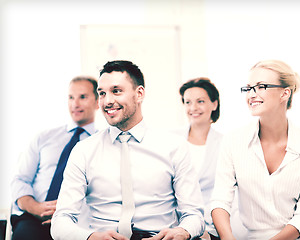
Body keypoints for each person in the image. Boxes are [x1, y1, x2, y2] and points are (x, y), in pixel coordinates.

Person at [50, 60, 205, 240]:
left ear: (139, 94)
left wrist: (182, 231)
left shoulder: (174, 147)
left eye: (116, 91)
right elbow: (60, 222)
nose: (107, 101)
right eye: (102, 93)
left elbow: (194, 215)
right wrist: (91, 237)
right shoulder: (83, 151)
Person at [211, 59, 300, 239]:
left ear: (285, 93)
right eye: (248, 88)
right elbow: (220, 200)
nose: (251, 94)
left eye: (261, 87)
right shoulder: (233, 142)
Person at [10, 76, 99, 240]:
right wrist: (36, 208)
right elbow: (20, 180)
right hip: (34, 220)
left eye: (83, 97)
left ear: (98, 101)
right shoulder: (44, 138)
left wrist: (67, 215)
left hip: (79, 223)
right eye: (71, 97)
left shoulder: (103, 144)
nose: (75, 104)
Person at [176, 78, 247, 240]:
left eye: (200, 101)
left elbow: (230, 195)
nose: (193, 108)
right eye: (187, 102)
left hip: (211, 227)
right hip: (175, 225)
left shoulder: (226, 144)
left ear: (214, 104)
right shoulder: (172, 141)